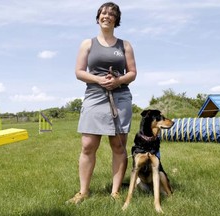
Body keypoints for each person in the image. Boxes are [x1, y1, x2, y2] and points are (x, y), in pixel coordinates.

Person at [67, 2, 137, 204]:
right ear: (98, 18)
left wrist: (117, 81)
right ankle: (83, 192)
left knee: (118, 146)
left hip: (120, 97)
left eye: (112, 13)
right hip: (94, 96)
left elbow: (132, 73)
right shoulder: (87, 44)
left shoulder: (125, 45)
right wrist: (99, 80)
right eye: (103, 13)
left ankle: (115, 192)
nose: (107, 16)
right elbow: (79, 72)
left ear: (117, 19)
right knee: (88, 145)